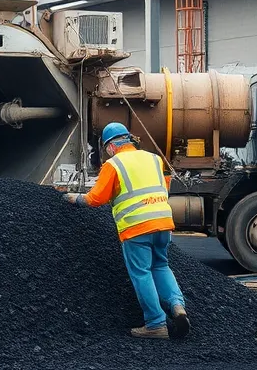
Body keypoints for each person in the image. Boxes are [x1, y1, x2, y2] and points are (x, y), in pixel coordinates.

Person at [63, 122, 190, 340]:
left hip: (137, 227)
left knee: (141, 273)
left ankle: (156, 324)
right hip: (163, 222)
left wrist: (75, 199)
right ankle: (177, 306)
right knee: (161, 265)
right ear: (129, 139)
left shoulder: (114, 164)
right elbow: (163, 184)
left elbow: (96, 198)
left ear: (110, 146)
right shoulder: (154, 158)